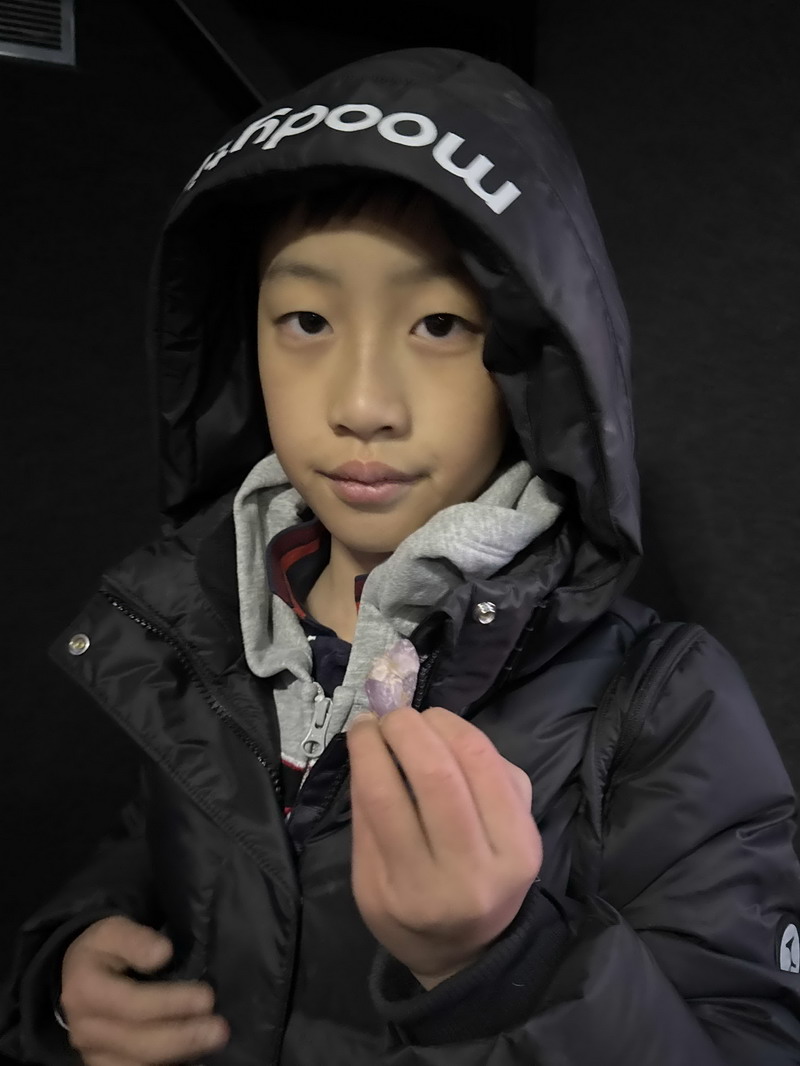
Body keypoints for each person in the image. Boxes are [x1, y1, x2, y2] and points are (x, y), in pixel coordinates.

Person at [1, 46, 799, 1066]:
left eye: (438, 323)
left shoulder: (661, 704)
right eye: (305, 321)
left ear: (534, 361)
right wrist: (70, 963)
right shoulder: (204, 627)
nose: (361, 403)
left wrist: (495, 963)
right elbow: (168, 846)